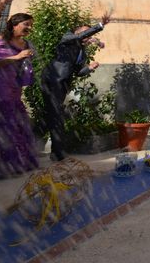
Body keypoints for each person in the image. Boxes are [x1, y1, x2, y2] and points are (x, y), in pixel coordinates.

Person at [40, 12, 111, 161]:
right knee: (56, 115)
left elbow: (78, 72)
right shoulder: (67, 38)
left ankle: (51, 150)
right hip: (53, 80)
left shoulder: (82, 52)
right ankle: (57, 153)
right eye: (84, 32)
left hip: (62, 84)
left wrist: (90, 68)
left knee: (52, 116)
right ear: (75, 33)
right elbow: (80, 36)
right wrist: (99, 26)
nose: (86, 35)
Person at [0, 13, 39, 177]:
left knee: (20, 125)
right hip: (0, 87)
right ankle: (5, 167)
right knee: (6, 126)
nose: (29, 28)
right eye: (26, 24)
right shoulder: (1, 41)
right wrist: (16, 57)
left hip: (15, 87)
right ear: (14, 24)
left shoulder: (25, 43)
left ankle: (20, 164)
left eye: (30, 25)